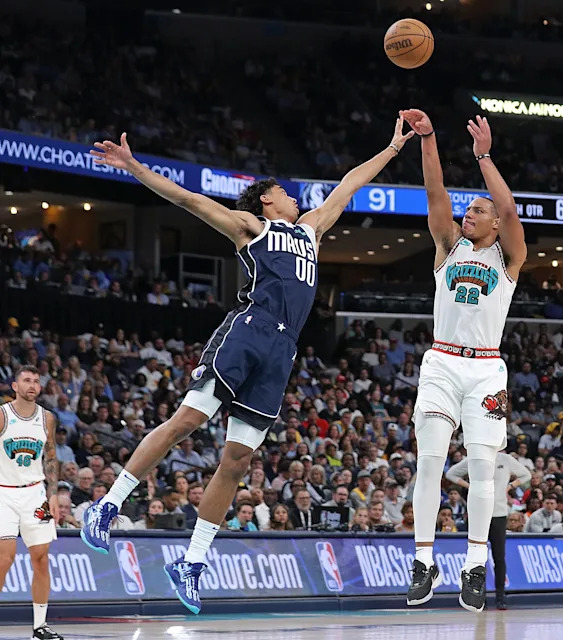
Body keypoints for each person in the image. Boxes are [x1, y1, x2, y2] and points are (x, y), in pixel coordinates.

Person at [80, 120, 415, 615]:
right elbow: (189, 200)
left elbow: (350, 183)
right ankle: (108, 505)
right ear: (265, 201)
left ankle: (191, 563)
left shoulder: (312, 228)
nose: (294, 196)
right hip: (247, 332)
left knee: (237, 461)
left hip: (284, 351)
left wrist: (391, 148)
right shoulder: (252, 228)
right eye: (284, 191)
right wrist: (133, 167)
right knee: (188, 422)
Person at [400, 109, 527, 613]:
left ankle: (474, 564)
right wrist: (428, 139)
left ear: (495, 223)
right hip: (442, 364)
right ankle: (423, 559)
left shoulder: (508, 256)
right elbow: (435, 194)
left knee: (481, 467)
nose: (467, 215)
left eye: (477, 211)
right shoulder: (448, 245)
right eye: (467, 211)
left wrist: (484, 157)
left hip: (486, 370)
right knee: (429, 462)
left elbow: (511, 209)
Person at [0, 366, 63, 639]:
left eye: (36, 381)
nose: (32, 385)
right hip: (3, 492)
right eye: (26, 380)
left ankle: (40, 626)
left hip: (36, 493)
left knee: (41, 559)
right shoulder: (2, 415)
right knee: (5, 558)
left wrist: (53, 493)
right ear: (15, 385)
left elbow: (50, 456)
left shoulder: (47, 418)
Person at [445, 450, 531, 609]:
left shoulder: (506, 459)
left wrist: (510, 486)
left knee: (499, 557)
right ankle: (479, 595)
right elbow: (451, 473)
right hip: (478, 513)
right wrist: (469, 486)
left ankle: (500, 596)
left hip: (498, 513)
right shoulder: (474, 457)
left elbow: (526, 475)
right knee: (478, 557)